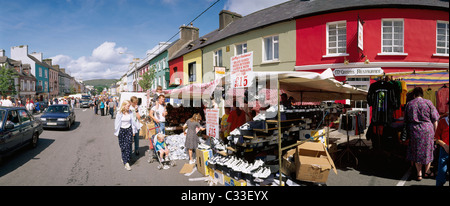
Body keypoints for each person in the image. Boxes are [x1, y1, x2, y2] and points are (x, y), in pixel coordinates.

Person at [405, 87, 439, 181]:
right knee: (428, 150)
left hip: (414, 130)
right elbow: (435, 119)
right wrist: (436, 134)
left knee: (416, 151)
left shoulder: (409, 104)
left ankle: (419, 173)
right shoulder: (428, 103)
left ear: (414, 95)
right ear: (422, 94)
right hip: (427, 130)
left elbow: (406, 120)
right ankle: (427, 171)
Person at [114, 100, 138, 171]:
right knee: (122, 146)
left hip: (128, 130)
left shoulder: (130, 112)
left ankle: (126, 162)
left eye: (129, 106)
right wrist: (116, 132)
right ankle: (124, 157)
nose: (129, 107)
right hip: (121, 131)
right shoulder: (119, 113)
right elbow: (117, 123)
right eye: (128, 106)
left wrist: (133, 131)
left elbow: (133, 122)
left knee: (128, 145)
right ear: (124, 105)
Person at [434, 102, 449, 186]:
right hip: (444, 151)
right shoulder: (442, 121)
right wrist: (445, 146)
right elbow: (436, 138)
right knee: (441, 173)